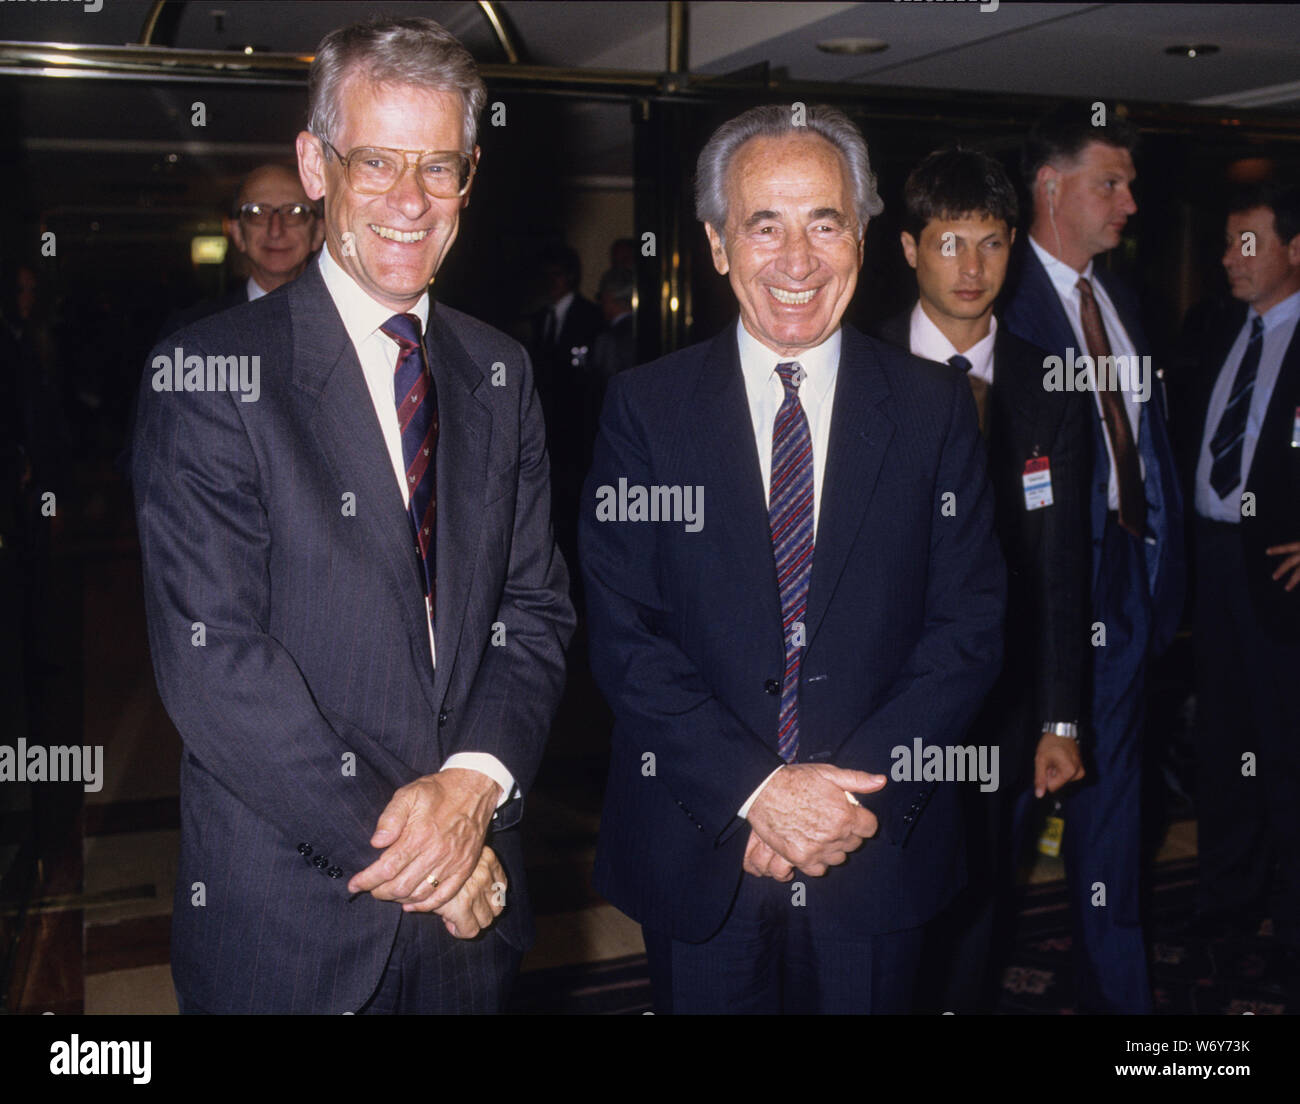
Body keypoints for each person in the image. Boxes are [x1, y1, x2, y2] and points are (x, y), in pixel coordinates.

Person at [131, 16, 574, 1014]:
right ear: (314, 164)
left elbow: (535, 611)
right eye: (375, 160)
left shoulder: (500, 373)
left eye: (440, 166)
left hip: (471, 926)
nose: (410, 201)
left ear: (471, 173)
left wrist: (473, 788)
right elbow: (216, 666)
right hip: (295, 922)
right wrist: (433, 860)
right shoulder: (211, 375)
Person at [579, 104, 1005, 1014]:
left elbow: (966, 629)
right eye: (763, 224)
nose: (798, 260)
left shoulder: (937, 410)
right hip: (702, 838)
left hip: (875, 839)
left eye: (825, 221)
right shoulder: (645, 412)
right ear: (719, 244)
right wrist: (759, 791)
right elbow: (624, 634)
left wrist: (826, 809)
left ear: (863, 234)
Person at [875, 147, 1090, 1012]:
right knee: (879, 881)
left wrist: (1060, 717)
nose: (972, 268)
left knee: (979, 887)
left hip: (999, 698)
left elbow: (1063, 567)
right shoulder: (858, 366)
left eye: (992, 243)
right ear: (908, 249)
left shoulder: (1050, 381)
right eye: (950, 242)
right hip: (878, 691)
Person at [1001, 103, 1185, 1013]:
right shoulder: (1001, 304)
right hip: (1036, 602)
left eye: (1129, 185)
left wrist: (1159, 567)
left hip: (1127, 574)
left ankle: (1128, 1016)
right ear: (1051, 187)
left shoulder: (1119, 302)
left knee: (1114, 818)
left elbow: (1149, 452)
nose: (1129, 204)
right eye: (1110, 183)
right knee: (1002, 825)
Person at [1179, 181, 1300, 996]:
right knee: (1222, 753)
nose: (1229, 258)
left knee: (1287, 761)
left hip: (1282, 581)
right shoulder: (1215, 329)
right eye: (1226, 242)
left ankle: (1293, 938)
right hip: (1210, 569)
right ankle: (1223, 913)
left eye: (1247, 243)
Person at [160, 163, 324, 337]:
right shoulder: (190, 331)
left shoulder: (347, 323)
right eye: (257, 212)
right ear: (237, 233)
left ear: (319, 232)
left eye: (294, 211)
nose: (275, 230)